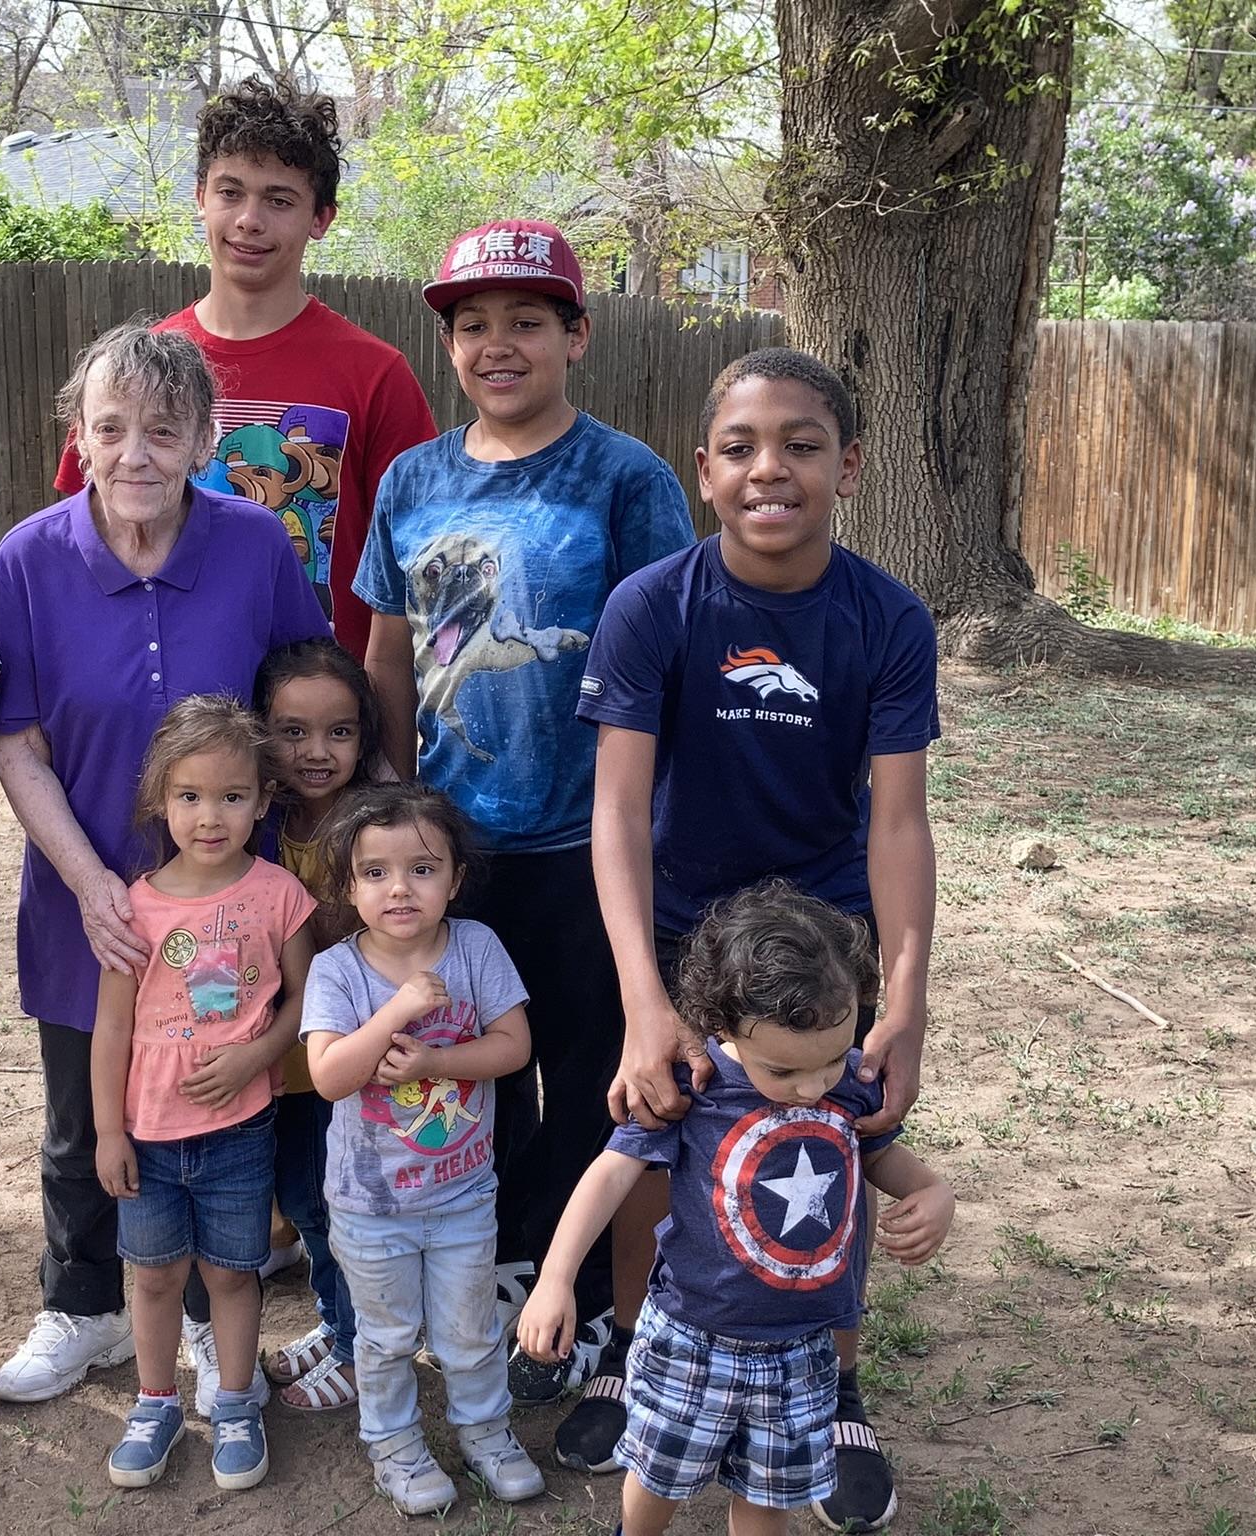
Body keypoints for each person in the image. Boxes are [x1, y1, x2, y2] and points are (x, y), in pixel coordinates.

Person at [573, 347, 940, 1528]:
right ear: (702, 470)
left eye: (800, 443)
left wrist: (904, 1003)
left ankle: (833, 1392)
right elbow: (617, 811)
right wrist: (643, 999)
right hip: (683, 928)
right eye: (738, 447)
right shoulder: (652, 607)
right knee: (660, 1129)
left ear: (848, 466)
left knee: (824, 1134)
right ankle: (637, 1351)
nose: (767, 468)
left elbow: (897, 819)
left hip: (825, 930)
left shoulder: (885, 617)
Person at [353, 219, 695, 1421]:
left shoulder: (624, 478)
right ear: (448, 344)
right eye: (472, 325)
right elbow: (386, 650)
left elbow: (666, 651)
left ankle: (602, 1303)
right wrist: (398, 805)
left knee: (591, 1076)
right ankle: (493, 1284)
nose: (497, 344)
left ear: (574, 336)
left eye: (525, 321)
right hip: (455, 853)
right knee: (469, 1083)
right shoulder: (413, 480)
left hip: (583, 843)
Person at [0, 322, 330, 1415]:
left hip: (232, 904)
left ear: (198, 441)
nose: (135, 453)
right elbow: (16, 738)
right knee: (84, 1113)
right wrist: (92, 885)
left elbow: (300, 699)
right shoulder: (29, 557)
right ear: (78, 436)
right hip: (84, 891)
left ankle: (192, 1310)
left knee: (221, 1100)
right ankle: (80, 1304)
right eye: (111, 429)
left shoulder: (253, 546)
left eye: (162, 431)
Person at [516, 884, 954, 1536]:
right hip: (694, 1337)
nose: (812, 1087)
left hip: (803, 1346)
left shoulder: (849, 1085)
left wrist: (934, 1194)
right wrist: (555, 1280)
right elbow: (609, 1174)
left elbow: (889, 1159)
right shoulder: (693, 1088)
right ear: (721, 1024)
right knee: (657, 1471)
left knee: (768, 1490)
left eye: (833, 1059)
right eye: (785, 1071)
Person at [52, 75, 436, 657]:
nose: (250, 219)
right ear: (200, 194)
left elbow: (418, 563)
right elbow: (76, 542)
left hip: (317, 721)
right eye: (231, 192)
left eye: (279, 199)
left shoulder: (375, 375)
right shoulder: (131, 371)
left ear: (320, 218)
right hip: (164, 712)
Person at [91, 696, 317, 1491]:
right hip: (147, 1133)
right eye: (189, 796)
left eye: (231, 796)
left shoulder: (279, 894)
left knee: (230, 1271)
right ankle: (155, 1402)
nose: (210, 816)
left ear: (261, 800)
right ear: (161, 799)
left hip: (240, 1128)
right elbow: (110, 1031)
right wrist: (108, 1133)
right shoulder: (135, 904)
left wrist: (255, 1052)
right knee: (153, 1275)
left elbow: (304, 999)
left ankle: (234, 1400)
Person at [301, 783, 544, 1516]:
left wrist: (436, 1062)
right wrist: (399, 1012)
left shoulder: (476, 946)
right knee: (384, 1337)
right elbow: (330, 1075)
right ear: (349, 884)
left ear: (455, 879)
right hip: (372, 1207)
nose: (399, 889)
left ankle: (486, 1433)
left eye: (423, 869)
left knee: (470, 1330)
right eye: (375, 873)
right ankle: (396, 1446)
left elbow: (514, 1047)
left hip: (464, 1194)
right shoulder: (337, 971)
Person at [251, 637, 389, 1412]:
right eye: (292, 731)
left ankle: (363, 1346)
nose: (315, 751)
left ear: (364, 738)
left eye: (339, 732)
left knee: (341, 1206)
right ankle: (342, 1325)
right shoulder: (257, 822)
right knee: (304, 1199)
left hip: (353, 1065)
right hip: (286, 1063)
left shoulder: (374, 831)